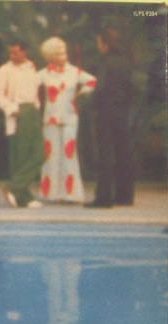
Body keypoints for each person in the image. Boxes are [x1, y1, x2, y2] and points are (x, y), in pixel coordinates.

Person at [38, 37, 97, 204]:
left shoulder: (74, 71)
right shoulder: (43, 73)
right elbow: (30, 85)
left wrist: (80, 95)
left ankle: (71, 194)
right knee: (50, 155)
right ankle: (50, 193)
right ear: (50, 56)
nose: (63, 56)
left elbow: (92, 81)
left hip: (70, 117)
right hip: (50, 118)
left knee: (69, 154)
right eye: (59, 54)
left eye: (64, 53)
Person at [0, 40, 44, 209]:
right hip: (19, 111)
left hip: (32, 112)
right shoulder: (4, 70)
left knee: (39, 154)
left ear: (24, 52)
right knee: (21, 157)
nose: (12, 56)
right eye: (10, 53)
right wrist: (11, 109)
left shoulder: (32, 67)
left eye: (15, 52)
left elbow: (34, 92)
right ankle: (23, 196)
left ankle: (15, 187)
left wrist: (36, 108)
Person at [85, 27, 134, 208]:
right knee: (123, 152)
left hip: (106, 111)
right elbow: (130, 87)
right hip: (122, 111)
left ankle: (104, 197)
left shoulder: (105, 62)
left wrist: (92, 104)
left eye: (99, 42)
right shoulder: (125, 61)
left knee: (105, 153)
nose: (98, 46)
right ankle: (125, 195)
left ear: (105, 44)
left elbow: (101, 87)